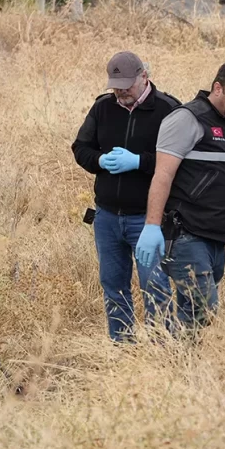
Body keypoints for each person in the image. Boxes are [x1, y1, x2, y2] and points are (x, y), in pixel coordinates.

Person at [134, 60, 225, 330]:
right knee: (203, 308)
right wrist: (151, 226)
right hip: (186, 235)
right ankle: (173, 361)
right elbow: (162, 175)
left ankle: (178, 366)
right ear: (218, 88)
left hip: (218, 238)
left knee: (194, 318)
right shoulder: (187, 119)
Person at [71, 52, 178, 342]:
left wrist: (140, 162)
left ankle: (162, 350)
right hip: (106, 217)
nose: (121, 91)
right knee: (113, 285)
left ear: (144, 76)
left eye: (127, 85)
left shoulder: (168, 110)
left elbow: (181, 162)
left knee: (155, 285)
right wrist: (100, 161)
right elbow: (80, 148)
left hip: (149, 219)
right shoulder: (102, 108)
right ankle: (124, 348)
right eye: (116, 85)